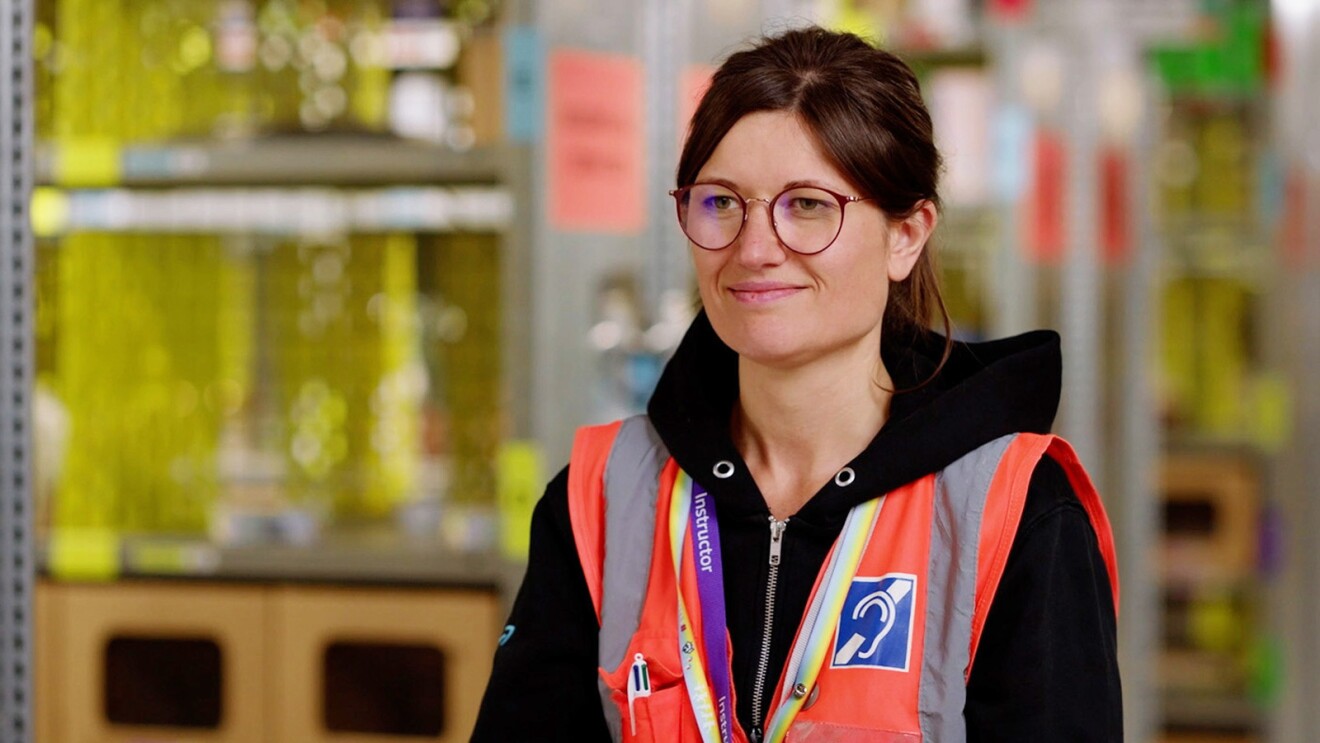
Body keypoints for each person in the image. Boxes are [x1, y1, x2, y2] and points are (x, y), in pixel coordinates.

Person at [473, 26, 1121, 743]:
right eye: (721, 203)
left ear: (906, 234)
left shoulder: (1015, 512)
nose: (754, 250)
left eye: (808, 205)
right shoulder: (602, 499)